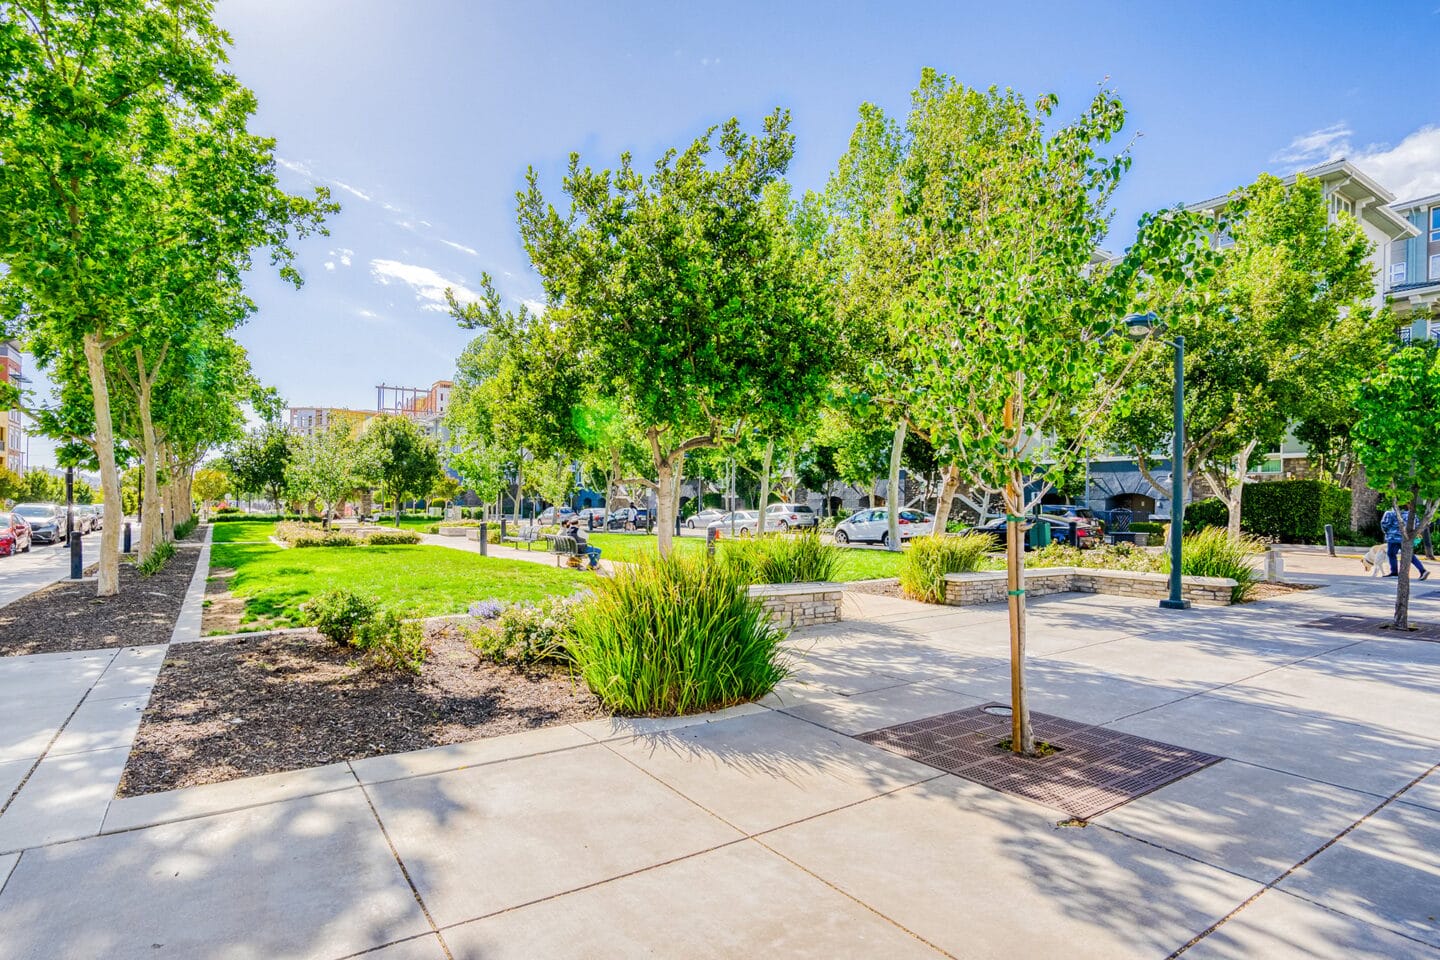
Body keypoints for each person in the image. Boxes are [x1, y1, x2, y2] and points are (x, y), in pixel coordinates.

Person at [1381, 502, 1429, 580]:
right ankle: (1422, 570)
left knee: (1391, 554)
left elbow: (1384, 524)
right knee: (1409, 555)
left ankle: (1394, 572)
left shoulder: (1390, 513)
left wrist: (1388, 533)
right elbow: (1417, 525)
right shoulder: (1412, 514)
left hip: (1394, 538)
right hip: (1407, 538)